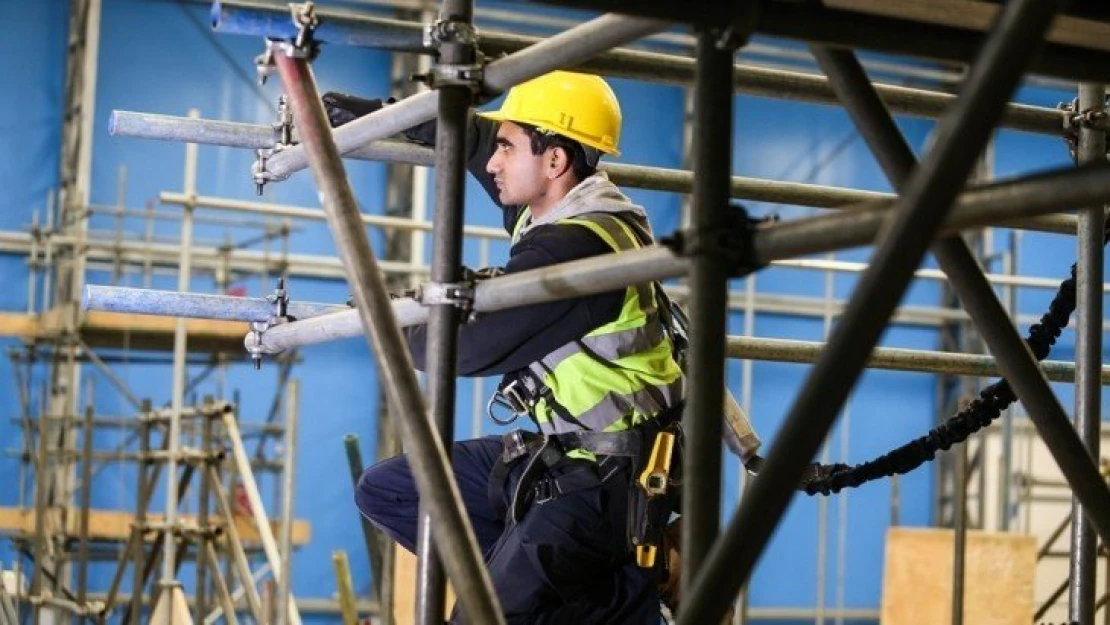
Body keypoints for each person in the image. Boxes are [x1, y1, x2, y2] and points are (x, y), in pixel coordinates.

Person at [329, 70, 685, 624]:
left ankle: (609, 598)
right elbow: (472, 141)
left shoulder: (579, 250)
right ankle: (599, 595)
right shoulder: (556, 211)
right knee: (392, 490)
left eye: (507, 147)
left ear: (554, 161)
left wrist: (378, 318)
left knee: (479, 619)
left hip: (604, 481)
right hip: (555, 455)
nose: (493, 162)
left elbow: (462, 348)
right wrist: (390, 116)